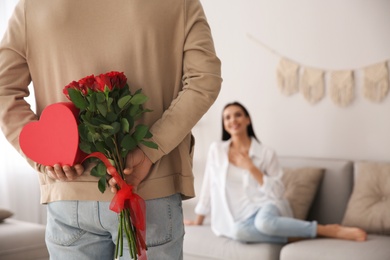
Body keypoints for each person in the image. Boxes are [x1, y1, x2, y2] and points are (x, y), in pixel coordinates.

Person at [0, 1, 222, 259]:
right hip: (150, 190)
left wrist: (47, 159)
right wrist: (151, 149)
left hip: (69, 192)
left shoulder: (32, 5)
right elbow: (205, 80)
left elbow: (3, 91)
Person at [185, 101, 367, 243]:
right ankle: (302, 235)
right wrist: (198, 220)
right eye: (227, 117)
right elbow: (209, 187)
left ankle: (325, 230)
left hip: (267, 206)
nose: (233, 120)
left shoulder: (266, 153)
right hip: (240, 218)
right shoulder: (216, 150)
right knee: (237, 232)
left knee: (264, 223)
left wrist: (252, 168)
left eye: (238, 115)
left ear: (247, 119)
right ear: (224, 124)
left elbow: (278, 192)